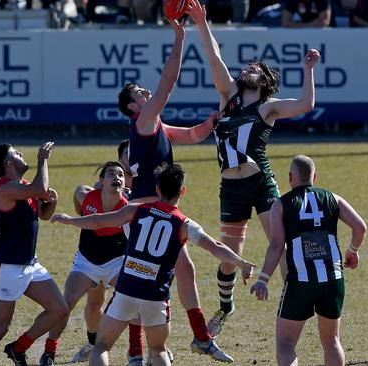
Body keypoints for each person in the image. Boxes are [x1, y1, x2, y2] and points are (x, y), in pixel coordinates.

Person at [187, 0, 320, 338]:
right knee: (230, 258)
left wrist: (308, 70)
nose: (247, 69)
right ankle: (226, 307)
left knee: (280, 242)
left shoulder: (268, 107)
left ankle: (296, 303)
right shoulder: (227, 93)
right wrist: (201, 22)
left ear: (264, 79)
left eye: (254, 69)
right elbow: (214, 57)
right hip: (230, 187)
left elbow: (306, 105)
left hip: (261, 183)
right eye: (245, 67)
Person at [50, 163, 255, 366]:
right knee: (158, 351)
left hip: (127, 291)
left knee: (101, 346)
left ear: (157, 189)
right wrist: (242, 262)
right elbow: (215, 246)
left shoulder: (135, 210)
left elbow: (97, 221)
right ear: (182, 191)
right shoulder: (185, 224)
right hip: (156, 298)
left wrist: (69, 220)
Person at [117, 14, 231, 362]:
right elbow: (168, 83)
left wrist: (211, 121)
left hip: (152, 213)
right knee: (146, 278)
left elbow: (194, 135)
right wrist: (180, 38)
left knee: (173, 272)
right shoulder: (146, 121)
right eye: (139, 92)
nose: (146, 91)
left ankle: (194, 339)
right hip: (145, 213)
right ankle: (140, 350)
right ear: (134, 107)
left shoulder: (156, 125)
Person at [249, 155, 366, 366]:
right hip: (333, 278)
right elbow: (360, 227)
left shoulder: (281, 205)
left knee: (285, 343)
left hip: (300, 281)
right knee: (331, 341)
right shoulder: (332, 198)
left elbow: (277, 246)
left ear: (290, 178)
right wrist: (352, 250)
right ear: (315, 177)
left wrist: (263, 279)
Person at [0, 142, 69, 366]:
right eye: (17, 153)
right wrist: (43, 159)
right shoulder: (6, 188)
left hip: (30, 263)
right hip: (7, 266)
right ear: (9, 164)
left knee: (59, 309)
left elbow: (43, 214)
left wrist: (52, 202)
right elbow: (40, 189)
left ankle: (18, 348)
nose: (22, 154)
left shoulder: (24, 185)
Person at [41, 161, 146, 366]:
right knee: (67, 304)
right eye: (111, 174)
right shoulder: (86, 197)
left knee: (135, 302)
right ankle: (48, 353)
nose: (117, 177)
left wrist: (72, 220)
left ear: (125, 183)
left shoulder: (127, 206)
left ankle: (136, 354)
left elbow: (98, 222)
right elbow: (78, 191)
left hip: (116, 262)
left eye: (120, 174)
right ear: (101, 181)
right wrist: (80, 211)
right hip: (86, 262)